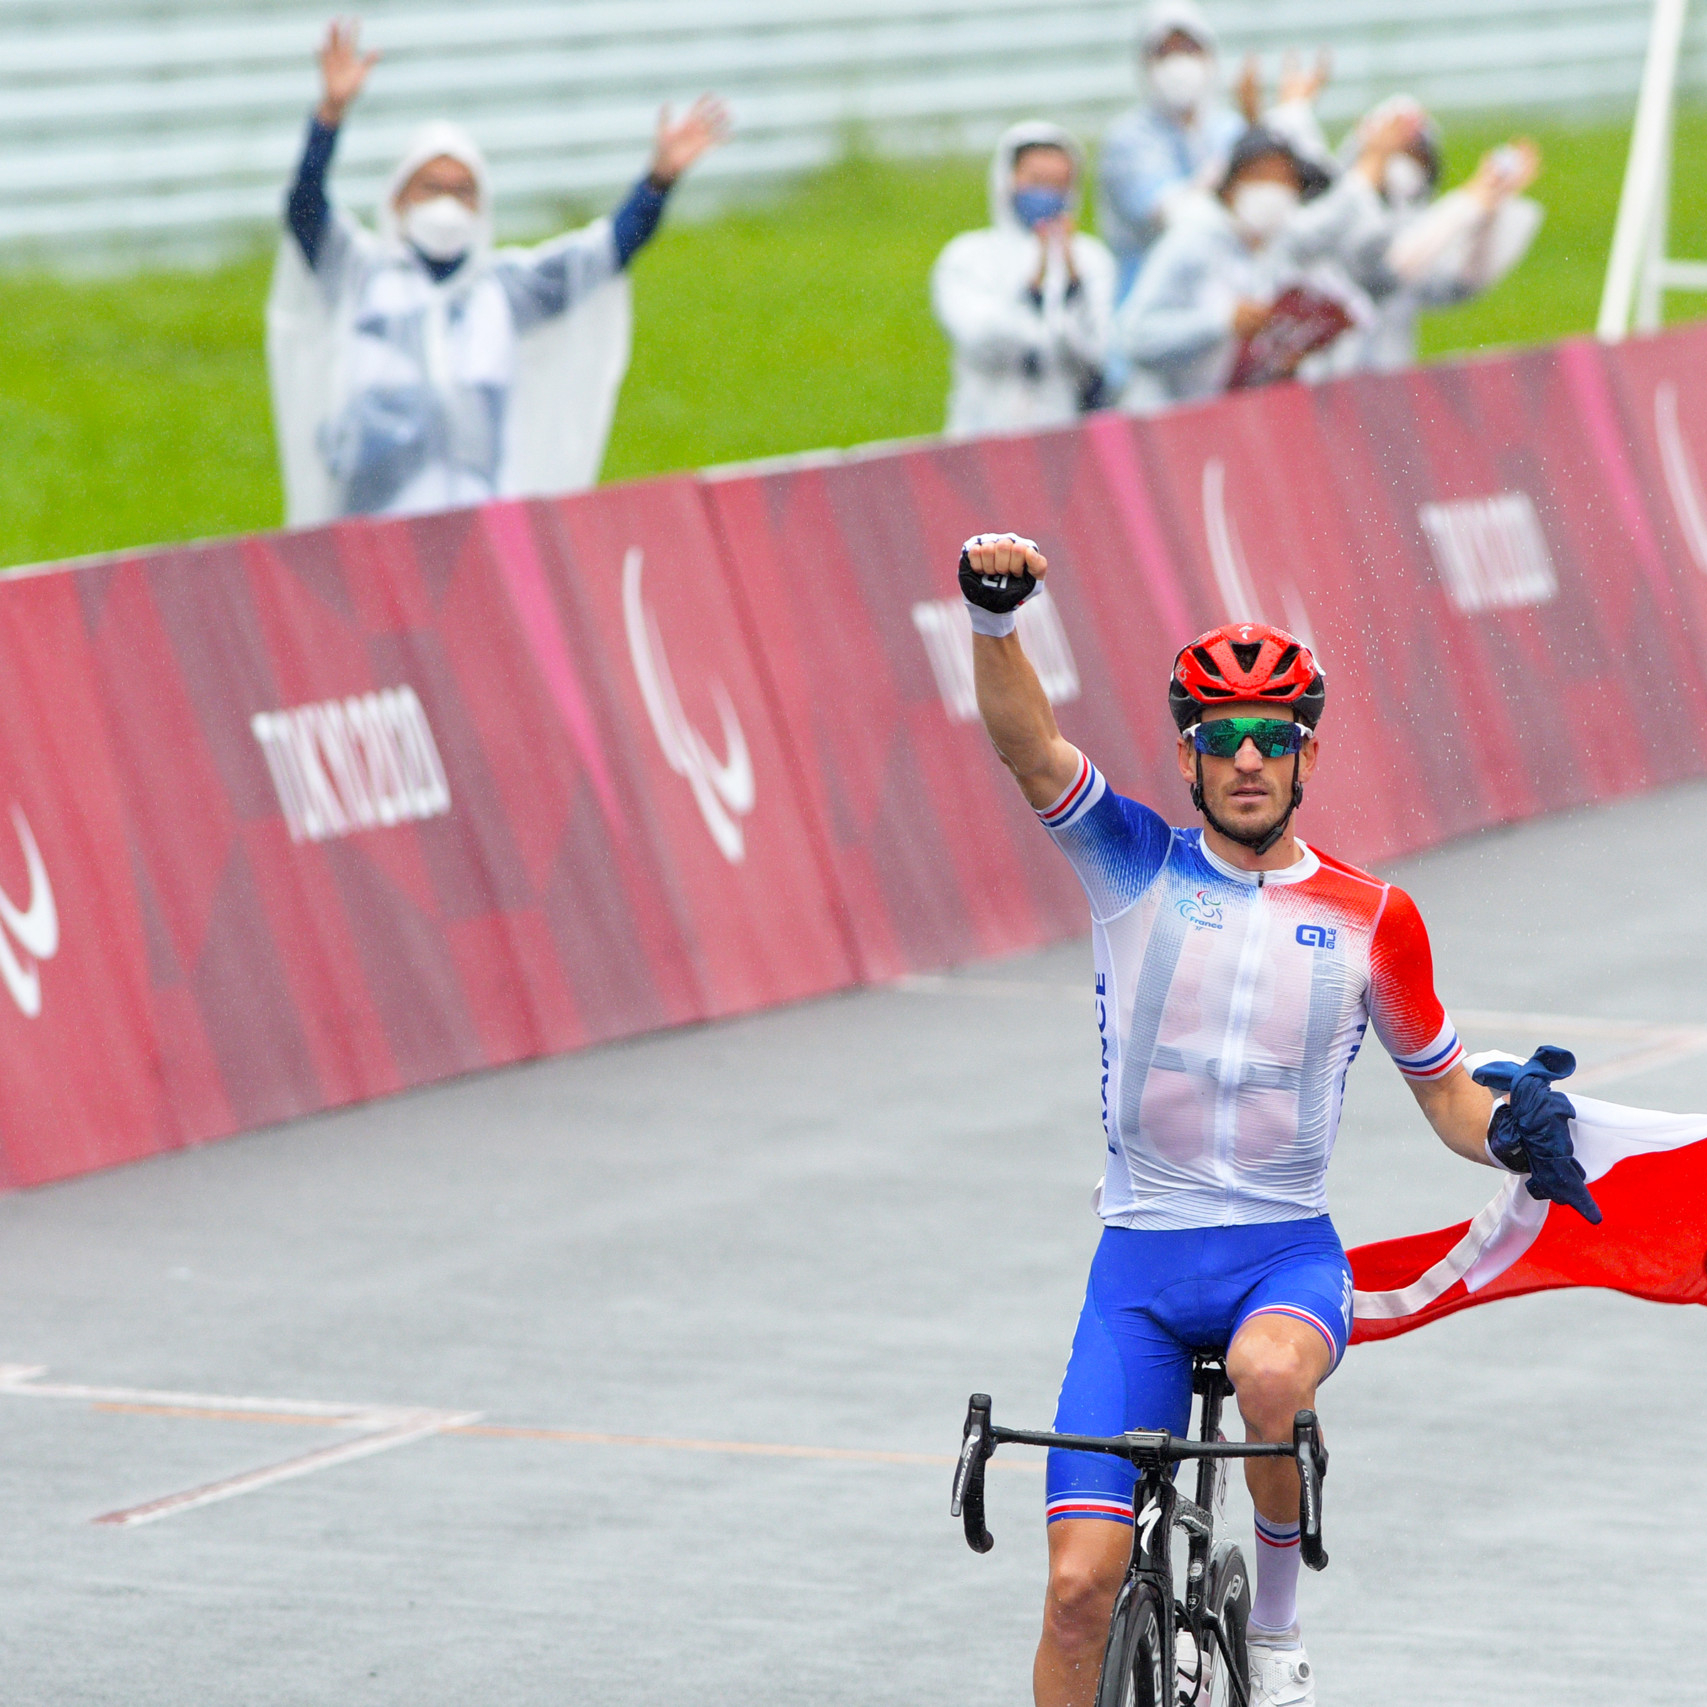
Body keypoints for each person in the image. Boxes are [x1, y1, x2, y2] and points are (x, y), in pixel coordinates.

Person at [953, 533, 1600, 1707]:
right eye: (1220, 741)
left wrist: (1513, 1132)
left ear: (1305, 757)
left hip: (1282, 1259)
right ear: (1190, 760)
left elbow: (1449, 1095)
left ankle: (1277, 1637)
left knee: (1264, 1373)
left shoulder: (1375, 919)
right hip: (1137, 1272)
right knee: (1076, 1589)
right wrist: (996, 621)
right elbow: (1026, 745)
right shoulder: (1134, 867)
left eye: (1271, 740)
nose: (1246, 760)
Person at [266, 18, 728, 524]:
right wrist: (328, 118)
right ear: (398, 197)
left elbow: (604, 253)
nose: (447, 203)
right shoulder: (361, 274)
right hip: (374, 530)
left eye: (462, 190)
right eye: (430, 187)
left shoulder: (504, 292)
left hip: (478, 536)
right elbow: (305, 210)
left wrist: (658, 182)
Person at [1113, 125, 1348, 411]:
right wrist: (1220, 322)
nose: (1275, 189)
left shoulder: (1279, 250)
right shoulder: (1190, 241)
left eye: (1287, 180)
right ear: (1230, 184)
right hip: (1169, 420)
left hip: (1233, 422)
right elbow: (1135, 336)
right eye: (1261, 176)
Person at [930, 123, 1116, 441]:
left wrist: (1073, 288)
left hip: (1064, 434)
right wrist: (1033, 293)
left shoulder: (1090, 258)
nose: (1047, 193)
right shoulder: (967, 256)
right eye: (1036, 181)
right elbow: (980, 338)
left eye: (1058, 184)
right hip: (983, 432)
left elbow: (1097, 350)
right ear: (1007, 180)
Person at [1096, 1, 1247, 305]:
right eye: (1165, 53)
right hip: (1147, 303)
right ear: (1145, 64)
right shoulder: (1127, 140)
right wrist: (1236, 165)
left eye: (1189, 50)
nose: (1179, 65)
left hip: (1225, 300)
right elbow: (1173, 214)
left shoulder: (1229, 128)